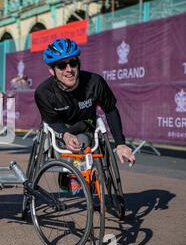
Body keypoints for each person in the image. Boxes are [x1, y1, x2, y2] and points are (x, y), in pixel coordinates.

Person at [34, 38, 136, 192]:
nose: (69, 69)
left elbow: (110, 109)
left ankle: (84, 172)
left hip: (85, 126)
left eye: (73, 63)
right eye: (62, 65)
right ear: (52, 70)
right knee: (59, 144)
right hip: (59, 129)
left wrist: (120, 143)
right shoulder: (43, 92)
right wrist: (65, 135)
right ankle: (68, 172)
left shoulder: (95, 82)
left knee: (82, 140)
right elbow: (51, 121)